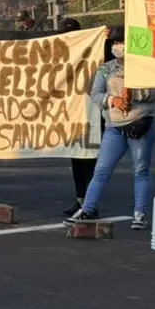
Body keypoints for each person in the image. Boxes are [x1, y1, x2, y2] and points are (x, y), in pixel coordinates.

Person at [65, 26, 155, 231]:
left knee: (141, 170)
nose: (118, 46)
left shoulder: (145, 66)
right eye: (115, 43)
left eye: (122, 42)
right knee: (101, 171)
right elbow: (95, 94)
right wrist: (113, 100)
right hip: (114, 127)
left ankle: (140, 213)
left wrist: (136, 94)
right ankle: (87, 209)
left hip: (140, 124)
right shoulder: (105, 69)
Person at [58, 18, 104, 217]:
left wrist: (105, 38)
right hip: (72, 115)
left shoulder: (95, 48)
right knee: (76, 160)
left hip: (92, 114)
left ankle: (91, 204)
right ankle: (80, 201)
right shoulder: (60, 54)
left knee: (90, 162)